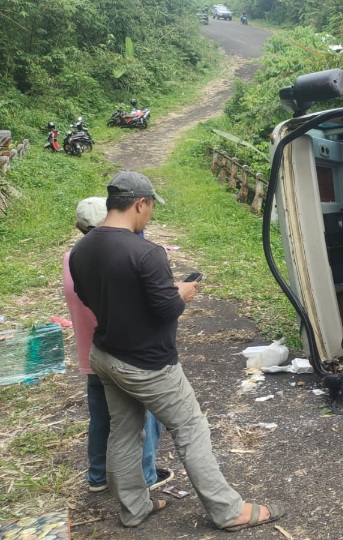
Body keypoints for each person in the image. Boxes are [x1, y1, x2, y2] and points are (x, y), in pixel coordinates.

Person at [69, 172, 285, 531]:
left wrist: (160, 292)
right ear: (140, 203)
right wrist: (180, 293)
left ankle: (134, 508)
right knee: (191, 427)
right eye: (150, 207)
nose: (149, 215)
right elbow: (167, 309)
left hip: (105, 355)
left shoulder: (82, 249)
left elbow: (93, 299)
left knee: (124, 431)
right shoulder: (146, 252)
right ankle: (229, 511)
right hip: (147, 363)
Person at [63, 197, 171, 495]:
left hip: (91, 356)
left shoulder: (73, 257)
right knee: (142, 420)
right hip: (122, 354)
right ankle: (146, 476)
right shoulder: (115, 261)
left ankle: (97, 475)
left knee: (100, 420)